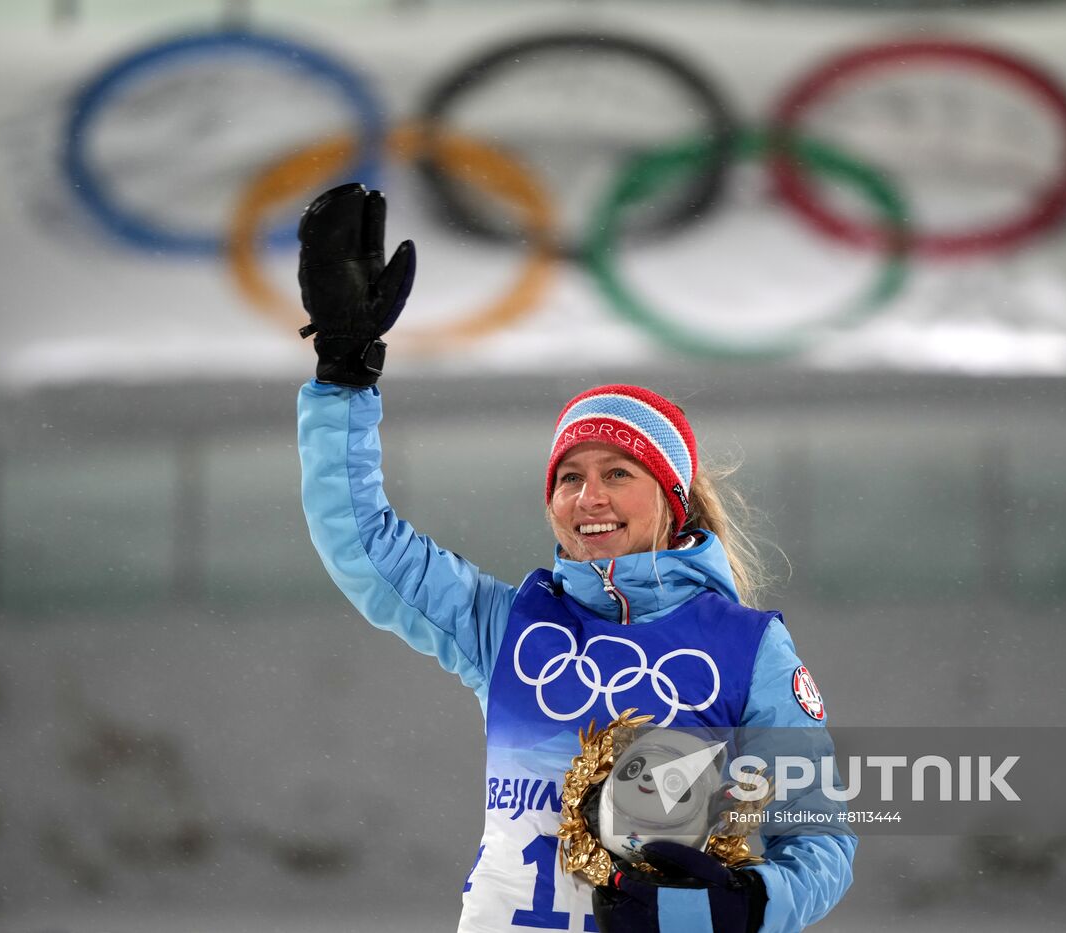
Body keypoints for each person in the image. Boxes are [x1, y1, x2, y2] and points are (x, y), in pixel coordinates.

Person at [296, 183, 855, 933]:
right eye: (569, 477)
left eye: (617, 473)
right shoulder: (506, 625)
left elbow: (822, 838)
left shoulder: (749, 649)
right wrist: (343, 376)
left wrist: (750, 905)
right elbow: (361, 543)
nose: (588, 496)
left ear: (672, 500)